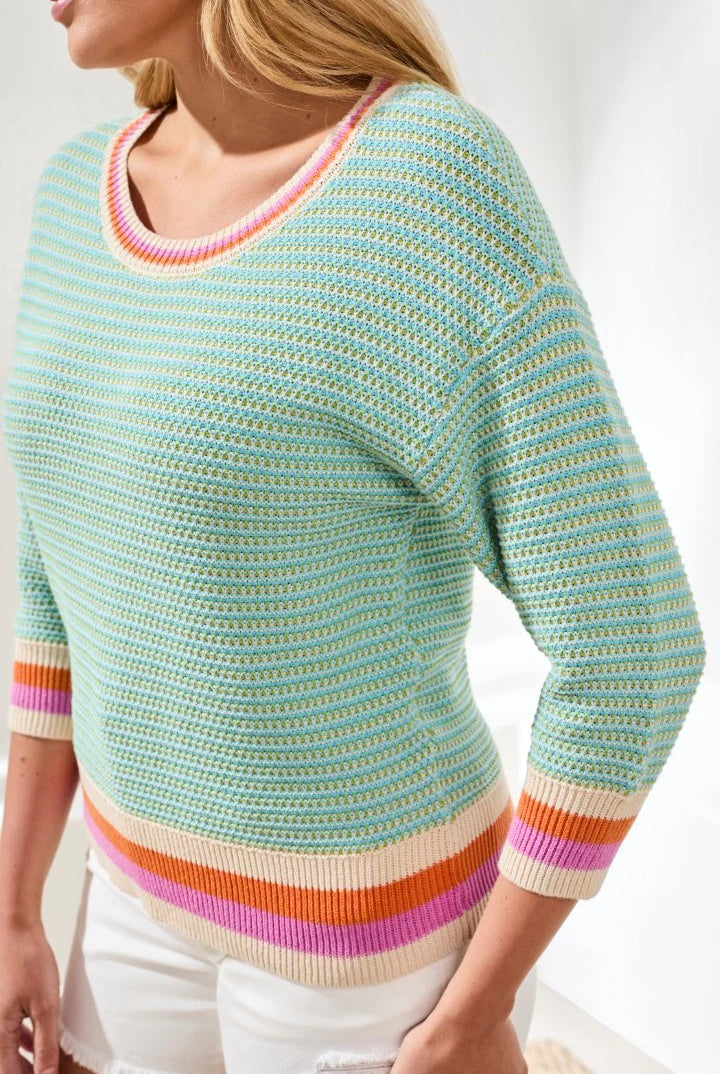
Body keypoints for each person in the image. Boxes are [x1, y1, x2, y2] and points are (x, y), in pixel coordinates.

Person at [0, 1, 706, 1073]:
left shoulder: (425, 180)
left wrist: (474, 1015)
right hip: (131, 897)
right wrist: (14, 911)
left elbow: (634, 647)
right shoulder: (71, 196)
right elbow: (53, 584)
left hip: (373, 956)